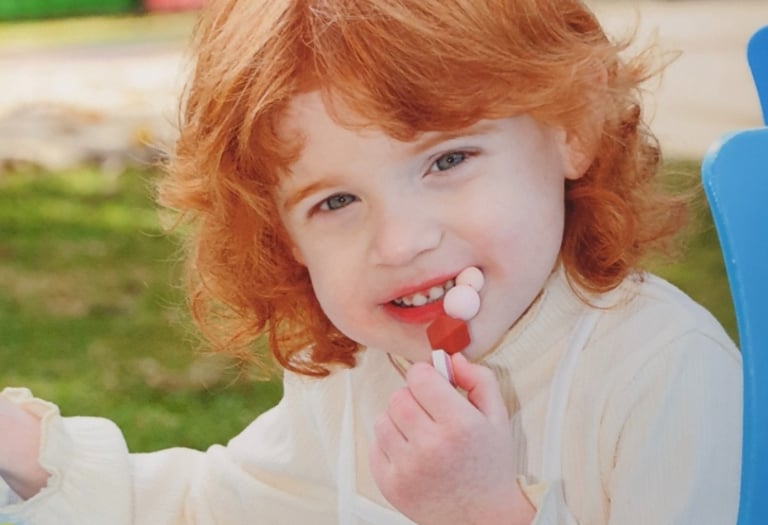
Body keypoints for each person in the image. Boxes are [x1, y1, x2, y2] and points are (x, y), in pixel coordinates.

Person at [0, 0, 742, 523]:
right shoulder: (358, 375)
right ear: (283, 237)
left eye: (447, 160)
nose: (399, 242)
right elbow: (219, 508)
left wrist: (484, 512)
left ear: (571, 126)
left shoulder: (662, 368)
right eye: (336, 202)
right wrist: (31, 452)